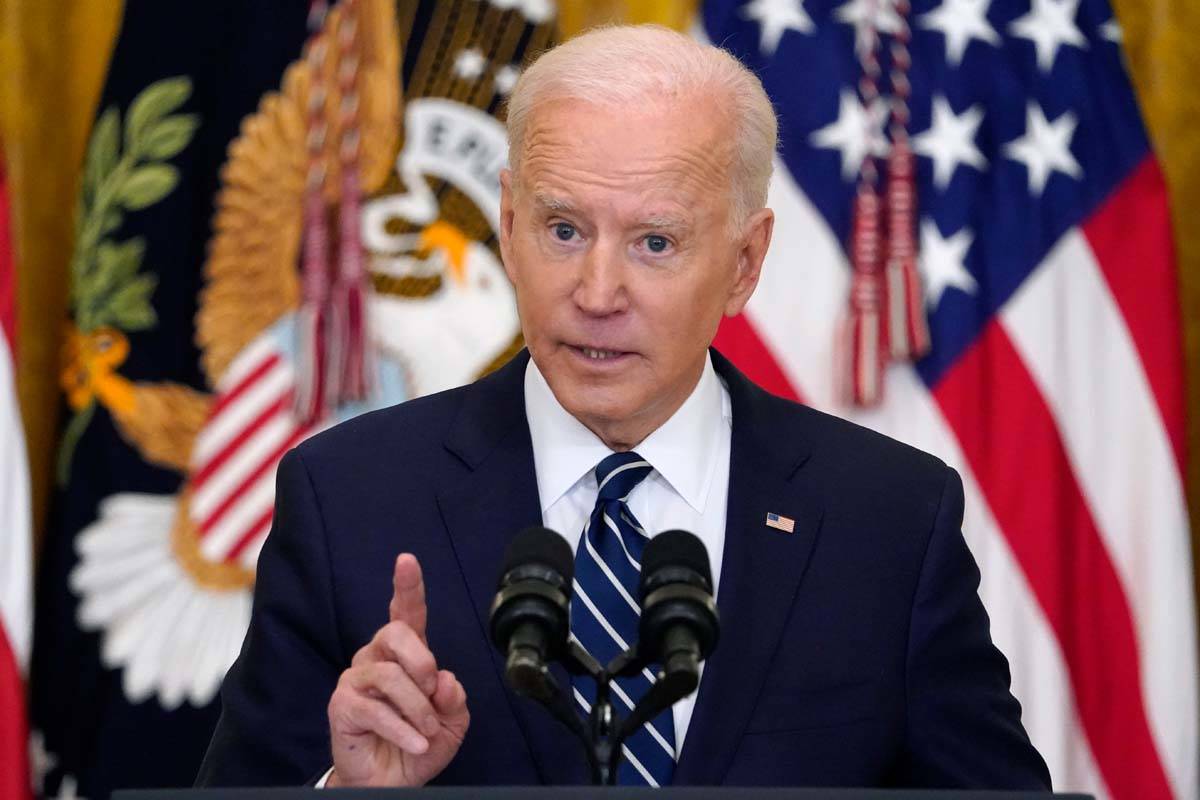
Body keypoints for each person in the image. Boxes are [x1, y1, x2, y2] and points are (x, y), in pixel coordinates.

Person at [196, 24, 1051, 790]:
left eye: (655, 242)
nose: (596, 292)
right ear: (506, 223)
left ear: (745, 263)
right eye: (563, 229)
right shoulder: (348, 496)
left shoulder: (890, 518)